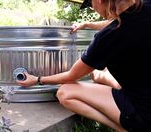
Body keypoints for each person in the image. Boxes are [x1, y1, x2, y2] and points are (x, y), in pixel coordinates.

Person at [16, 0, 151, 131]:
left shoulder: (109, 36)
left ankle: (124, 128)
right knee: (99, 76)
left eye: (90, 4)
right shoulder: (145, 6)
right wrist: (87, 24)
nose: (93, 8)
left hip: (144, 115)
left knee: (65, 92)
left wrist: (38, 79)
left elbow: (71, 76)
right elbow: (120, 21)